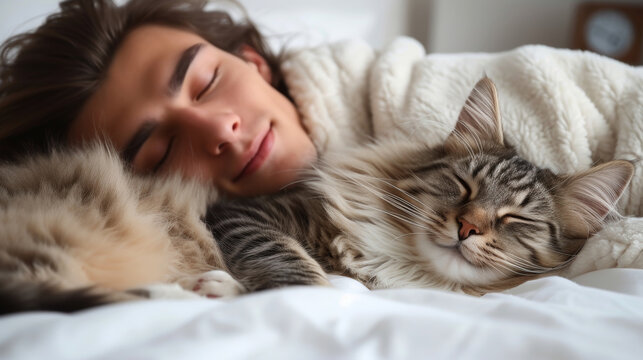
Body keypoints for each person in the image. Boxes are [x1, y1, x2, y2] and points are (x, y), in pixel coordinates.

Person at [1, 0, 642, 215]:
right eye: (161, 149)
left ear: (254, 63)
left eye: (205, 84)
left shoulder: (429, 99)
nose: (218, 128)